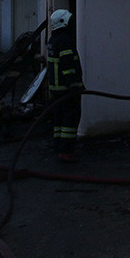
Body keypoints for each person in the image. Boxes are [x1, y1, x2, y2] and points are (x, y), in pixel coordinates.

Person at [46, 9, 84, 162]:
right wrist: (75, 85)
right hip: (66, 89)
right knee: (70, 119)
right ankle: (66, 151)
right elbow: (68, 66)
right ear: (64, 23)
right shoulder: (64, 41)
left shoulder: (53, 40)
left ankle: (58, 146)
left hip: (56, 90)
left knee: (59, 119)